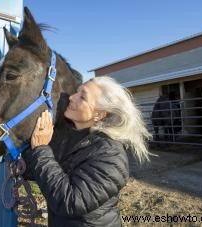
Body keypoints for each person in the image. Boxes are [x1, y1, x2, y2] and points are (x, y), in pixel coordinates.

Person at [23, 76, 151, 226]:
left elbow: (70, 202)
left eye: (82, 97)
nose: (71, 97)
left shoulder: (111, 156)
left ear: (100, 114)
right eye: (76, 92)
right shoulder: (69, 137)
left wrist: (40, 149)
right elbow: (45, 173)